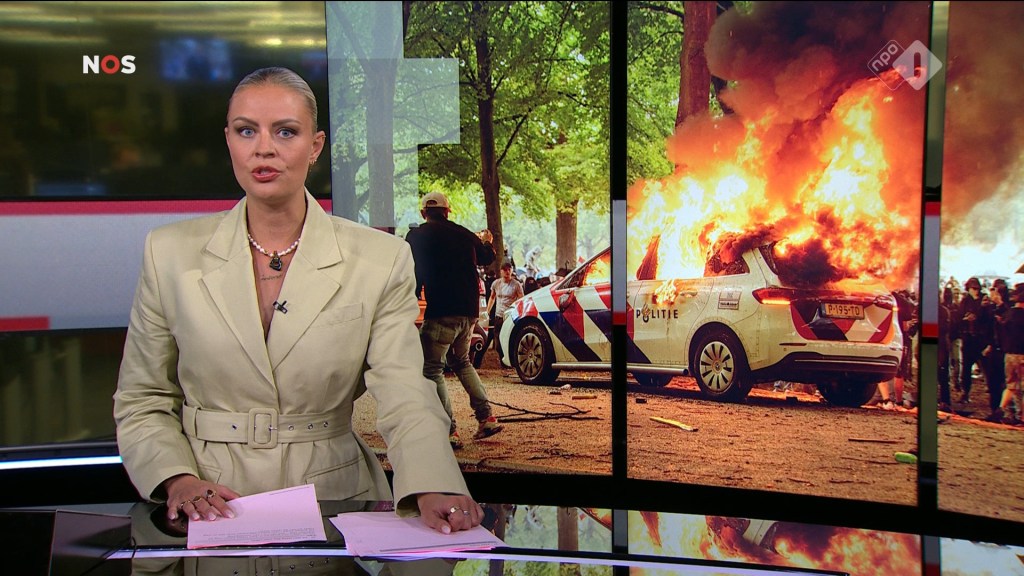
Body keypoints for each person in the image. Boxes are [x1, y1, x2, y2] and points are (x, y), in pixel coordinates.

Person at [113, 67, 482, 534]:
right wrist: (177, 479)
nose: (263, 148)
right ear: (228, 140)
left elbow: (405, 392)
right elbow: (143, 397)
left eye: (285, 131)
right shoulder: (168, 252)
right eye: (246, 131)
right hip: (204, 505)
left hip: (334, 500)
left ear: (315, 146)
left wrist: (433, 482)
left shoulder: (380, 259)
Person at [406, 191, 503, 449]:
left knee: (431, 369)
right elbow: (487, 257)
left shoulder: (417, 236)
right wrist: (487, 242)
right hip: (468, 312)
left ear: (423, 213)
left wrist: (409, 300)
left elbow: (413, 272)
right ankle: (486, 417)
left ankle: (448, 430)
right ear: (447, 212)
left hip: (441, 311)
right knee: (462, 362)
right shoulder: (463, 233)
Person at [487, 262, 524, 368]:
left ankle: (509, 364)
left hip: (510, 316)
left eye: (509, 269)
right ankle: (503, 362)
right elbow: (492, 297)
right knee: (498, 342)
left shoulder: (516, 284)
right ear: (501, 271)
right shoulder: (496, 283)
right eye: (505, 270)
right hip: (499, 316)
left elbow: (521, 299)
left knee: (509, 339)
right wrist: (488, 311)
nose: (507, 272)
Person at [997, 283, 1024, 424]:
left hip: (1008, 355)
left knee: (1011, 386)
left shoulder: (1008, 314)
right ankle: (1022, 417)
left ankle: (1001, 409)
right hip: (1022, 354)